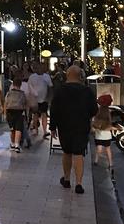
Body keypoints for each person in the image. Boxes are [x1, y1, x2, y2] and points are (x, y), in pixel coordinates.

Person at [49, 65, 97, 194]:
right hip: (81, 125)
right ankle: (79, 184)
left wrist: (52, 127)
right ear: (80, 76)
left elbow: (54, 110)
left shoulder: (60, 90)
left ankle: (66, 179)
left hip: (64, 125)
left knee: (67, 152)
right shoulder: (87, 91)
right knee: (78, 153)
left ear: (67, 75)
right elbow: (94, 110)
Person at [26, 61, 53, 139]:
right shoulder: (32, 77)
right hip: (35, 99)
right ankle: (36, 129)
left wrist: (49, 98)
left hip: (44, 98)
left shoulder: (46, 76)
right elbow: (29, 87)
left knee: (44, 114)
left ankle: (44, 131)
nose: (39, 69)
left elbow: (50, 87)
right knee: (35, 114)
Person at [4, 74, 29, 153]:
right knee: (18, 129)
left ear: (13, 84)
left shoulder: (9, 93)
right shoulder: (22, 93)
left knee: (12, 129)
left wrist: (5, 113)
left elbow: (5, 103)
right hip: (19, 112)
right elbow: (26, 104)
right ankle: (17, 145)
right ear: (20, 84)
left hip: (9, 112)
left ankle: (12, 143)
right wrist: (27, 114)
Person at [92, 100, 116, 169]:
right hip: (107, 137)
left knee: (99, 149)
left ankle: (96, 161)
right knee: (108, 149)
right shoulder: (108, 119)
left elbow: (93, 129)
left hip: (98, 137)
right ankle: (110, 163)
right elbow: (110, 128)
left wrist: (96, 128)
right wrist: (117, 129)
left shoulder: (96, 118)